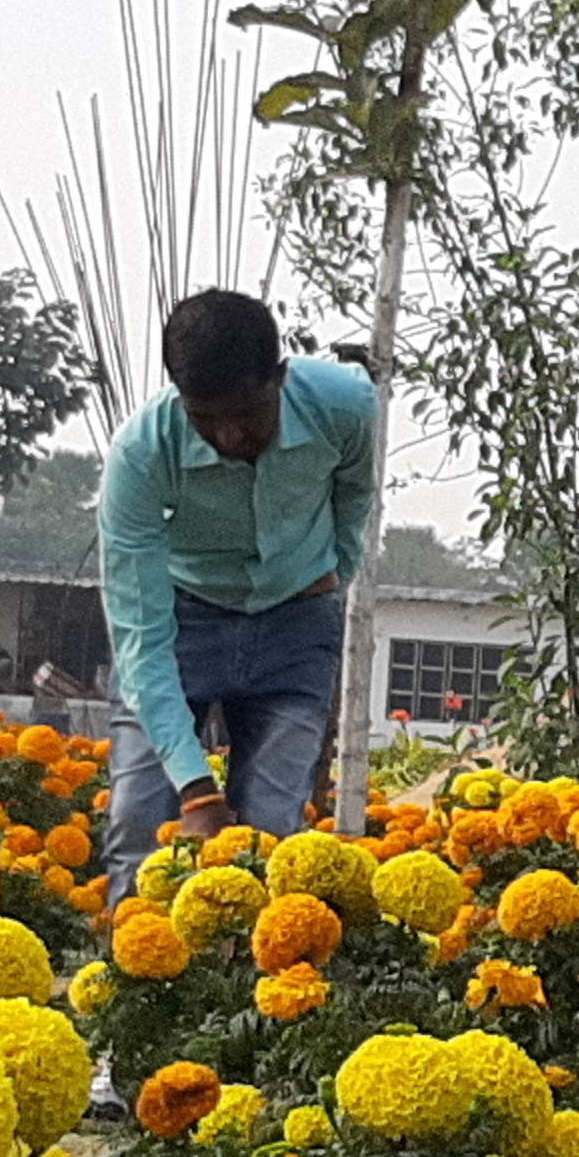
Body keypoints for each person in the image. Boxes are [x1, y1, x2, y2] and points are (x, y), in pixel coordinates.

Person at [97, 290, 378, 848]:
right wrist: (197, 792)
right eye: (205, 419)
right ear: (180, 397)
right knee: (138, 821)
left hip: (296, 624)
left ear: (280, 376)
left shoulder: (348, 408)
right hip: (181, 623)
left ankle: (250, 941)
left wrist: (335, 574)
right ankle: (132, 936)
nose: (229, 437)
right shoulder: (140, 456)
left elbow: (354, 494)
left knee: (268, 831)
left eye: (247, 414)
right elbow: (142, 642)